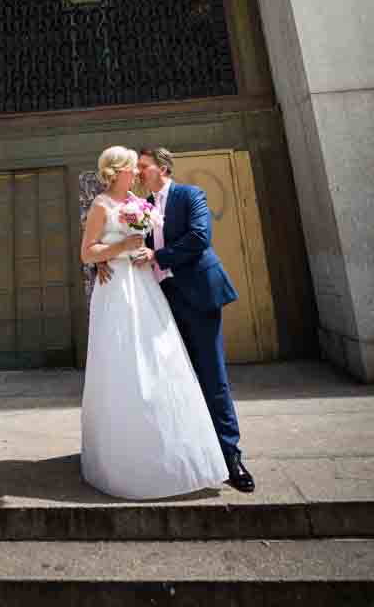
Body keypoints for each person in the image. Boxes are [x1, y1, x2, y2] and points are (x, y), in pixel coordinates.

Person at [80, 145, 229, 500]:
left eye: (142, 168)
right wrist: (113, 253)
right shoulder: (102, 205)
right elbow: (87, 251)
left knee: (163, 362)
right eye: (134, 168)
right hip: (118, 290)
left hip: (149, 287)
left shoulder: (142, 203)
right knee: (123, 364)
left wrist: (133, 248)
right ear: (118, 172)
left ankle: (186, 452)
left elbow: (170, 240)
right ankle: (127, 456)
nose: (138, 173)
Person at [129, 147, 255, 493]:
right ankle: (190, 456)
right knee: (177, 379)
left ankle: (231, 459)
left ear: (163, 168)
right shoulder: (143, 208)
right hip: (163, 301)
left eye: (143, 166)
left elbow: (200, 237)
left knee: (212, 377)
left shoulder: (189, 195)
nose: (138, 172)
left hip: (199, 295)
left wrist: (159, 255)